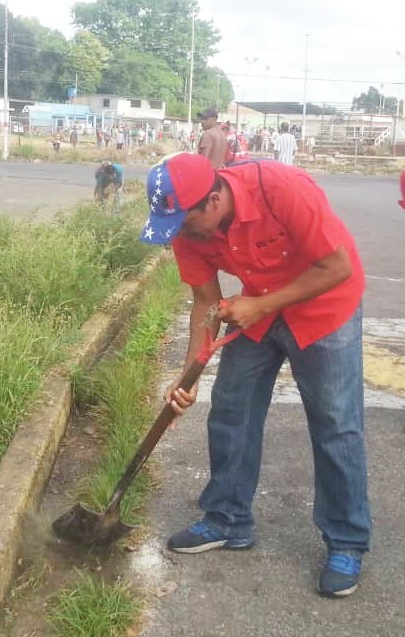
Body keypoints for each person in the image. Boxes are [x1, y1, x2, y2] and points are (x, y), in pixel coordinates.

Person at [140, 152, 370, 598]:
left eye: (184, 223)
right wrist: (187, 377)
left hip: (326, 306)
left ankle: (346, 540)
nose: (179, 236)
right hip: (260, 305)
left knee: (336, 426)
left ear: (212, 201)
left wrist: (260, 306)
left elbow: (336, 266)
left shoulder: (280, 188)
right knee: (230, 409)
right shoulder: (188, 229)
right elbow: (205, 302)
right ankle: (227, 519)